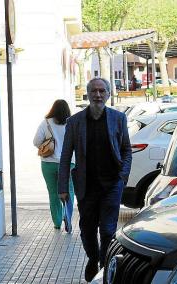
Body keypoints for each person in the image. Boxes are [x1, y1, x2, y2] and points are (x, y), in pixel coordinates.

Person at [58, 78, 132, 282]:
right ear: (87, 94)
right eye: (93, 91)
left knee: (108, 231)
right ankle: (93, 257)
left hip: (112, 185)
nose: (98, 95)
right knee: (87, 231)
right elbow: (65, 156)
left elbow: (126, 150)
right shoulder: (75, 122)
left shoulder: (119, 118)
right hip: (86, 187)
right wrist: (62, 187)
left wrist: (122, 177)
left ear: (108, 94)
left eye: (102, 91)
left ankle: (103, 265)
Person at [33, 99, 75, 233]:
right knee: (69, 192)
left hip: (48, 163)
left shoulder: (46, 123)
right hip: (69, 163)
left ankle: (57, 222)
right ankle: (67, 218)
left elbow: (36, 141)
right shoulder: (72, 123)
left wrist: (47, 144)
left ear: (53, 109)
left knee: (53, 193)